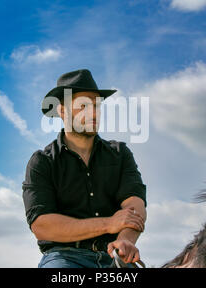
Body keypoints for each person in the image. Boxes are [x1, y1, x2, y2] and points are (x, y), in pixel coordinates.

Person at [22, 68, 147, 268]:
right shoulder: (42, 162)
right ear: (62, 111)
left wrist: (125, 240)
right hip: (64, 258)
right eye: (83, 105)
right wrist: (109, 224)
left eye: (97, 105)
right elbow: (42, 225)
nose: (94, 112)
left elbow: (135, 205)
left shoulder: (120, 153)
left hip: (116, 255)